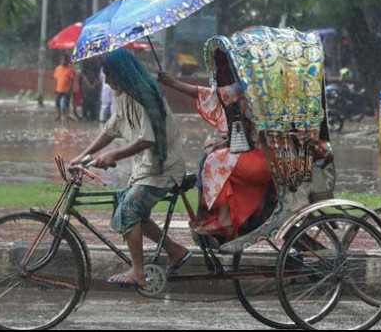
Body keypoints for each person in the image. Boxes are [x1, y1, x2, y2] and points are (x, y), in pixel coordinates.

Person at [71, 49, 190, 288]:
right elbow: (112, 128)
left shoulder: (146, 97)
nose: (107, 80)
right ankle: (175, 250)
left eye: (110, 74)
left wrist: (113, 154)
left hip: (163, 171)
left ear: (122, 74)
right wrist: (84, 155)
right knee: (135, 212)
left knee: (128, 211)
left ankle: (138, 271)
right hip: (147, 170)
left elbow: (148, 139)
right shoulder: (124, 95)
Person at [158, 49, 273, 239]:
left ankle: (223, 219)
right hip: (263, 154)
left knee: (214, 160)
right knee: (212, 155)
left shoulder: (251, 88)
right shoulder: (257, 88)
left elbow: (214, 95)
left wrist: (173, 83)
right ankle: (214, 214)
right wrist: (227, 141)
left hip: (265, 158)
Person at [53, 53, 75, 121]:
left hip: (66, 90)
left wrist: (69, 89)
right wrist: (54, 88)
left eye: (65, 60)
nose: (63, 61)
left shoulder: (70, 69)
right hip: (58, 89)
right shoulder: (57, 68)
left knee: (65, 103)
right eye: (62, 59)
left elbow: (71, 80)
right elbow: (56, 79)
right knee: (57, 102)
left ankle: (65, 116)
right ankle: (59, 115)